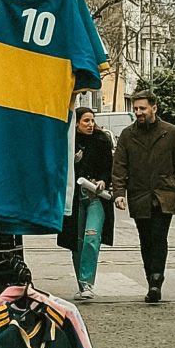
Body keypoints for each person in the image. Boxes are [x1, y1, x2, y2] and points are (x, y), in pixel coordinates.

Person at [111, 90, 175, 302]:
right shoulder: (128, 134)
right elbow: (120, 166)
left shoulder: (170, 132)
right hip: (139, 194)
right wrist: (119, 192)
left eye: (142, 108)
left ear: (154, 107)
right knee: (146, 239)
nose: (138, 112)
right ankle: (150, 279)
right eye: (135, 108)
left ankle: (156, 281)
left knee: (159, 237)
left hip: (164, 194)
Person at [57, 107, 114, 300]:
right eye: (86, 121)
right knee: (77, 241)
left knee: (92, 236)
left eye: (92, 120)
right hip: (73, 197)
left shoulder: (102, 140)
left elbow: (109, 167)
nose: (90, 125)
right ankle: (83, 286)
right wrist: (73, 161)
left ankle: (87, 282)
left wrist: (103, 181)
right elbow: (59, 168)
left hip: (96, 196)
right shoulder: (68, 141)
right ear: (77, 123)